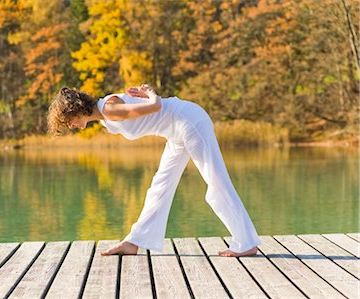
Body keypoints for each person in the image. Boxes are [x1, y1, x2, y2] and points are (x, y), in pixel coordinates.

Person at [47, 84, 262, 257]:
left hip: (189, 121)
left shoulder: (110, 110)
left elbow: (156, 106)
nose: (72, 126)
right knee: (160, 186)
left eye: (70, 121)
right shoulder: (106, 114)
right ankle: (135, 241)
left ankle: (246, 242)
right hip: (176, 130)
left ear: (77, 110)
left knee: (216, 180)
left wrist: (149, 92)